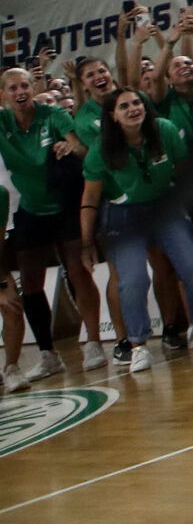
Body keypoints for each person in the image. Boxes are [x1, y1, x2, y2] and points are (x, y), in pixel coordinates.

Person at [81, 85, 193, 371]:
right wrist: (86, 242)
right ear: (113, 116)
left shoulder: (165, 130)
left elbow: (186, 173)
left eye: (137, 102)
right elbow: (90, 197)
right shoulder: (101, 147)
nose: (133, 109)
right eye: (124, 106)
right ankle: (138, 346)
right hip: (123, 215)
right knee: (132, 280)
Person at [3, 65, 102, 373]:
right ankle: (48, 355)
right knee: (31, 283)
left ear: (33, 87)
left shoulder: (53, 116)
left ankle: (95, 342)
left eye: (24, 85)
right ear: (3, 95)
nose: (20, 92)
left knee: (78, 272)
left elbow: (84, 150)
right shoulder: (2, 121)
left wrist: (71, 146)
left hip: (64, 205)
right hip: (29, 210)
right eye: (13, 88)